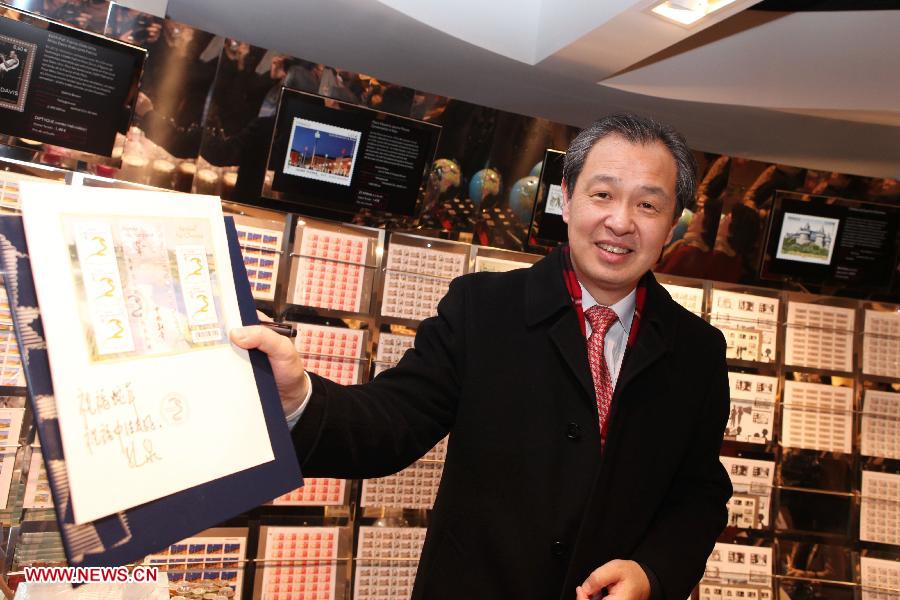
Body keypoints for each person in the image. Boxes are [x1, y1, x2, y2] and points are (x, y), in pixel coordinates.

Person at [231, 113, 732, 600]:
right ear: (567, 198)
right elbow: (391, 421)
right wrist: (299, 398)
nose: (620, 221)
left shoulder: (697, 353)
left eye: (648, 205)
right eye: (602, 195)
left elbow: (699, 496)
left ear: (671, 226)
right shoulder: (483, 309)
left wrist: (652, 573)